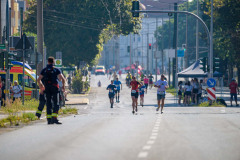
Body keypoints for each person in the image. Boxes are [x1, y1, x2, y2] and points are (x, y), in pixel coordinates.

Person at [37, 57, 66, 125]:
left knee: (49, 103)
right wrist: (63, 87)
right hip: (54, 88)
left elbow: (38, 79)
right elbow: (62, 79)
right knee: (56, 103)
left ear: (48, 62)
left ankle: (49, 120)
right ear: (53, 62)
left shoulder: (44, 70)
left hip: (47, 88)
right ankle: (54, 118)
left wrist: (41, 86)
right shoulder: (56, 70)